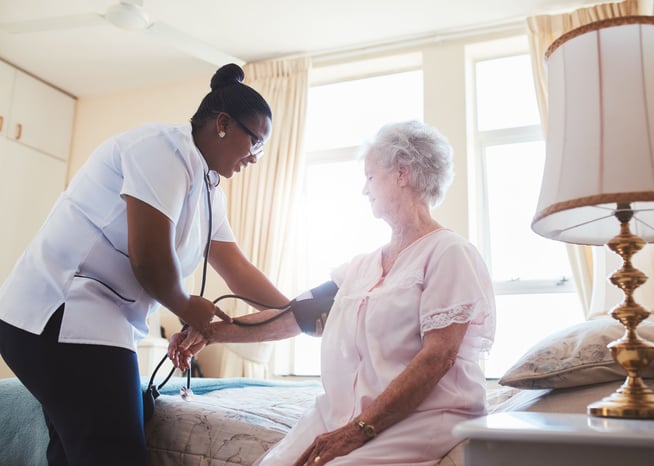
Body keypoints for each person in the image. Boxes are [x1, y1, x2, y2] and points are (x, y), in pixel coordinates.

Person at [0, 63, 289, 466]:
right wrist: (189, 309)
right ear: (223, 124)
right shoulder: (162, 150)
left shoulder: (208, 190)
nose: (256, 157)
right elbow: (150, 262)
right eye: (255, 141)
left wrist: (294, 310)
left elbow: (237, 269)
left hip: (97, 322)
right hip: (59, 313)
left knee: (95, 441)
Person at [170, 120, 497, 466]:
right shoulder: (362, 267)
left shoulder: (448, 252)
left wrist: (358, 430)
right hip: (347, 413)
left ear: (402, 173)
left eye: (370, 176)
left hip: (423, 415)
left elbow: (438, 357)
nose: (364, 189)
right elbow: (294, 317)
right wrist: (210, 332)